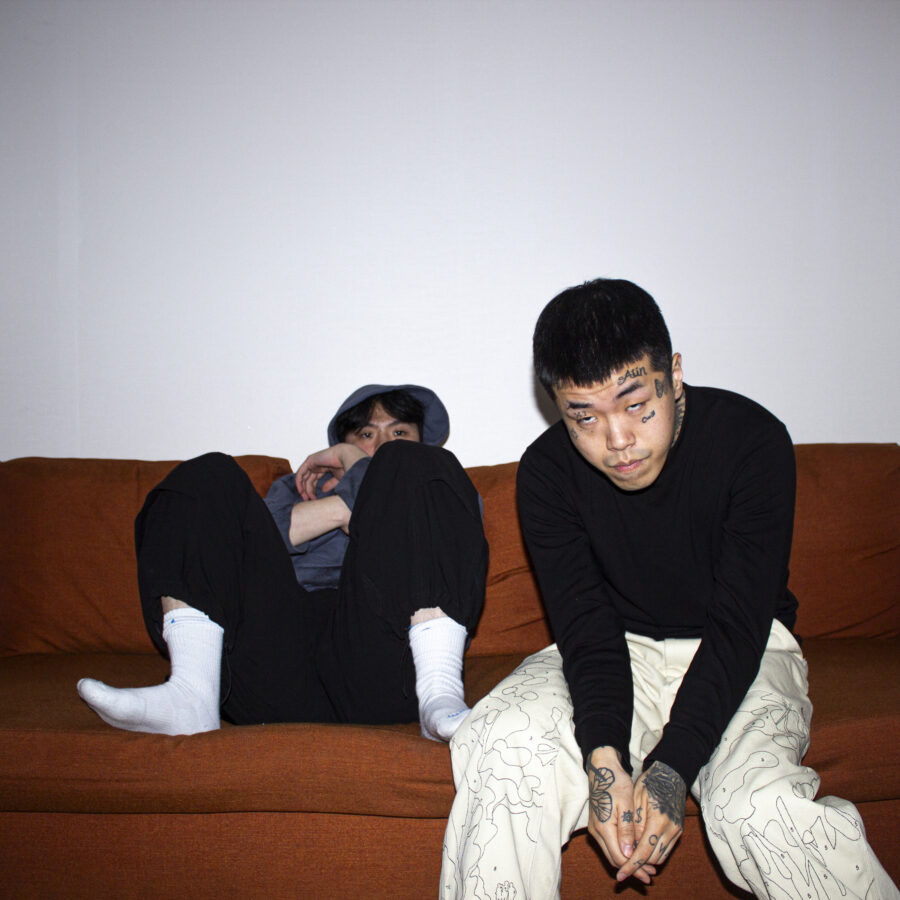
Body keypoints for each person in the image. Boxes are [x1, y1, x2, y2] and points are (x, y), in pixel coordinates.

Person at [441, 281, 897, 899]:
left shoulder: (752, 441)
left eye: (636, 404)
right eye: (584, 417)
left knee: (757, 807)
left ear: (674, 376)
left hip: (743, 644)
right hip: (611, 649)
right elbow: (586, 627)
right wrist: (605, 760)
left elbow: (740, 623)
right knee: (504, 746)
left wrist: (672, 767)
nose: (617, 439)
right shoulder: (547, 471)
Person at [77, 384, 488, 743]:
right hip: (276, 663)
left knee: (413, 467)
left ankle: (439, 695)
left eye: (399, 433)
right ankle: (190, 695)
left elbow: (423, 530)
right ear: (342, 441)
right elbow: (230, 545)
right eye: (366, 434)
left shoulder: (434, 489)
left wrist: (359, 466)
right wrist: (344, 507)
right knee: (205, 474)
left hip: (383, 663)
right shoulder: (291, 490)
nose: (381, 443)